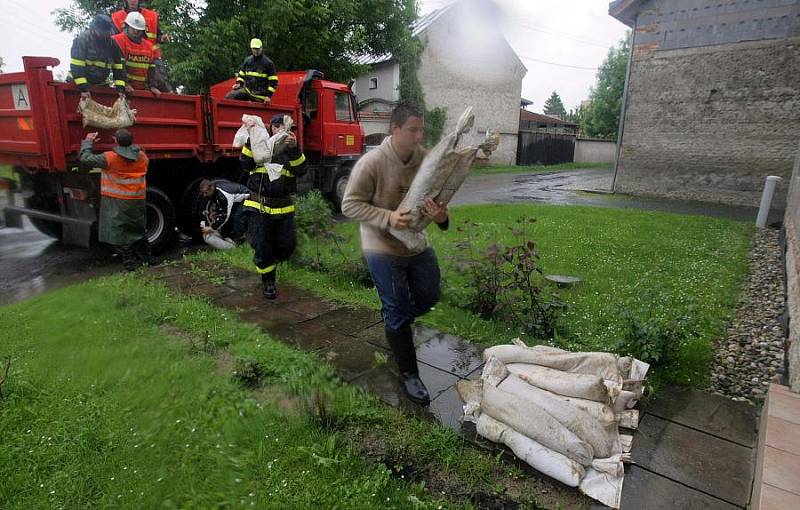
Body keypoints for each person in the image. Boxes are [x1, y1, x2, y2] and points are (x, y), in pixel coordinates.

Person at [341, 104, 450, 405]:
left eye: (421, 130)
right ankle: (409, 374)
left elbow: (440, 203)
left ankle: (394, 320)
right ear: (395, 129)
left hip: (415, 242)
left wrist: (441, 217)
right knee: (398, 311)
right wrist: (388, 217)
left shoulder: (427, 160)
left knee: (429, 297)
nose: (419, 136)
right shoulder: (371, 162)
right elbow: (349, 205)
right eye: (413, 130)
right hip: (380, 244)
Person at [242, 114, 308, 299]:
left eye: (283, 126)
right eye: (276, 126)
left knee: (288, 245)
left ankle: (272, 260)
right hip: (259, 206)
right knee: (263, 246)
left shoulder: (291, 149)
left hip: (283, 208)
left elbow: (302, 170)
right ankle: (268, 282)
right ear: (270, 128)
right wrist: (251, 141)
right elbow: (245, 164)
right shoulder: (259, 144)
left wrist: (294, 149)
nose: (279, 129)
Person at [79, 129, 152, 271]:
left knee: (121, 233)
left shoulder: (110, 158)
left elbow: (85, 158)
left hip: (118, 201)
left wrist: (88, 141)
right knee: (138, 229)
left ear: (116, 141)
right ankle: (148, 259)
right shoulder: (142, 156)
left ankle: (130, 264)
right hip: (137, 199)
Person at [68, 14, 126, 99]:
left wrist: (120, 89)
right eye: (102, 31)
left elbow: (118, 68)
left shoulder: (112, 44)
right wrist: (83, 88)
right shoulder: (83, 40)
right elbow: (77, 66)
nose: (105, 35)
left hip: (99, 86)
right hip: (76, 84)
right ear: (94, 29)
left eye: (107, 32)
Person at [112, 12, 161, 97]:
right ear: (126, 26)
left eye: (138, 30)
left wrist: (152, 86)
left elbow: (151, 68)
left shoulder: (149, 46)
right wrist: (124, 84)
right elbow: (119, 66)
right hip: (119, 89)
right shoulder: (118, 41)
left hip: (141, 90)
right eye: (133, 28)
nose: (135, 32)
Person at [198, 178, 250, 247]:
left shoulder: (223, 195)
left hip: (247, 197)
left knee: (237, 216)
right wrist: (215, 212)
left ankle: (240, 239)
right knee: (230, 216)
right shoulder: (214, 189)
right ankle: (232, 235)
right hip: (235, 199)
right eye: (203, 193)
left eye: (206, 193)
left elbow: (225, 215)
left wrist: (212, 228)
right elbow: (218, 202)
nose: (204, 195)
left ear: (212, 188)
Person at [225, 39, 278, 104]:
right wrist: (239, 83)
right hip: (247, 91)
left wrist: (268, 96)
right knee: (229, 97)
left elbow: (274, 82)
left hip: (260, 95)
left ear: (261, 48)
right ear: (251, 48)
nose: (256, 51)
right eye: (254, 48)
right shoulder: (247, 60)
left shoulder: (268, 63)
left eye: (257, 48)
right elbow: (241, 74)